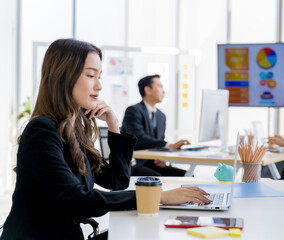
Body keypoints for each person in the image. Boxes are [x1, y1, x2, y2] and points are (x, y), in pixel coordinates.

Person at [0, 39, 211, 240]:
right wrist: (157, 197)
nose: (99, 86)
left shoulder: (73, 131)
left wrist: (113, 125)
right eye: (91, 75)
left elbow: (117, 181)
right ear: (63, 77)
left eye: (99, 76)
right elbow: (77, 200)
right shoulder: (42, 131)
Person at [121, 75, 189, 176]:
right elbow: (138, 138)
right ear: (148, 90)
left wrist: (162, 157)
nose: (163, 91)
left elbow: (157, 142)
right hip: (136, 164)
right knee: (157, 179)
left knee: (188, 175)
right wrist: (169, 145)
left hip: (153, 163)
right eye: (160, 86)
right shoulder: (133, 111)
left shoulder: (161, 116)